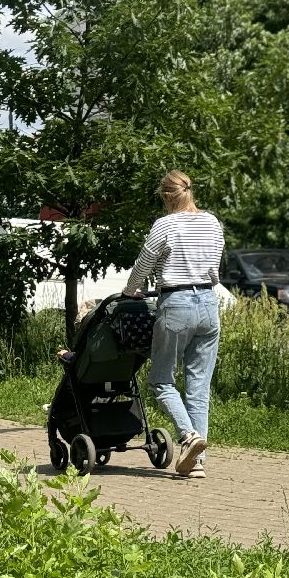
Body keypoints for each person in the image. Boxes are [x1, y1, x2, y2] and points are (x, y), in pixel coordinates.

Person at [124, 169, 224, 479]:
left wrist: (130, 290)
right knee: (198, 388)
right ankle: (197, 463)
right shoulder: (213, 223)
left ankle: (189, 436)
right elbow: (215, 267)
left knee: (160, 380)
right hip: (209, 304)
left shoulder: (165, 225)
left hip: (176, 304)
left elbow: (144, 264)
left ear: (167, 197)